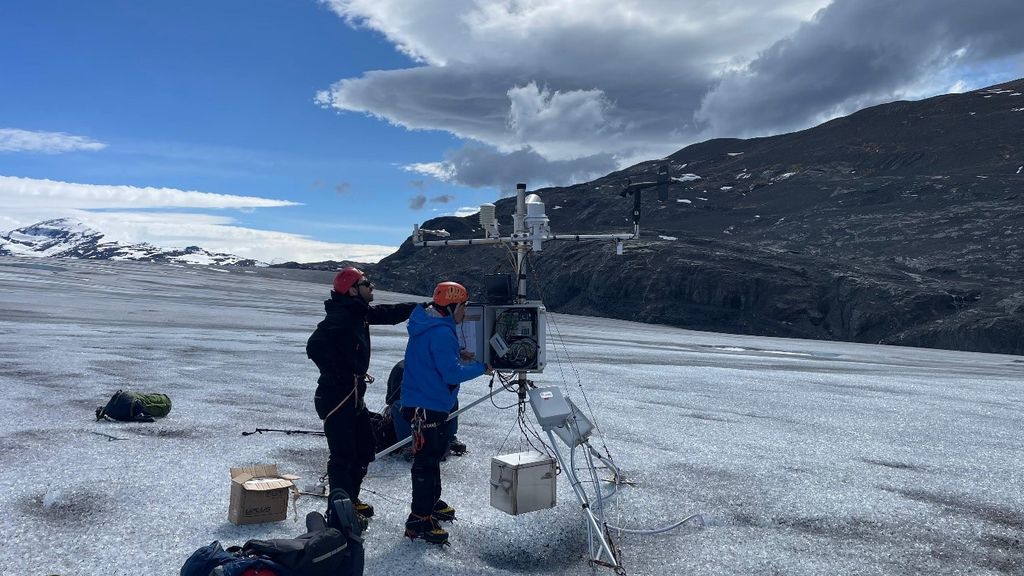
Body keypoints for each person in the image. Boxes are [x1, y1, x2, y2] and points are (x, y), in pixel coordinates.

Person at [305, 267, 419, 523]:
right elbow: (314, 346)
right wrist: (340, 375)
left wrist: (419, 308)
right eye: (367, 283)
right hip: (337, 397)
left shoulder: (357, 313)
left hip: (353, 396)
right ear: (353, 289)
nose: (372, 287)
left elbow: (388, 314)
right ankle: (338, 511)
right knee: (343, 455)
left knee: (365, 448)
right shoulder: (341, 318)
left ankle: (350, 500)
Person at [401, 281, 489, 544]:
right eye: (463, 307)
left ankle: (430, 503)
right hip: (426, 408)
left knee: (434, 456)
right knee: (426, 464)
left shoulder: (434, 327)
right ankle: (419, 520)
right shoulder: (440, 332)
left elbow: (438, 361)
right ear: (452, 306)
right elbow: (451, 373)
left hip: (426, 404)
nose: (464, 313)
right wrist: (483, 367)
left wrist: (457, 353)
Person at [386, 360, 467, 460]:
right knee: (398, 406)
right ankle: (409, 446)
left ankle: (450, 438)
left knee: (453, 401)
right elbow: (392, 400)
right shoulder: (401, 370)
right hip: (407, 406)